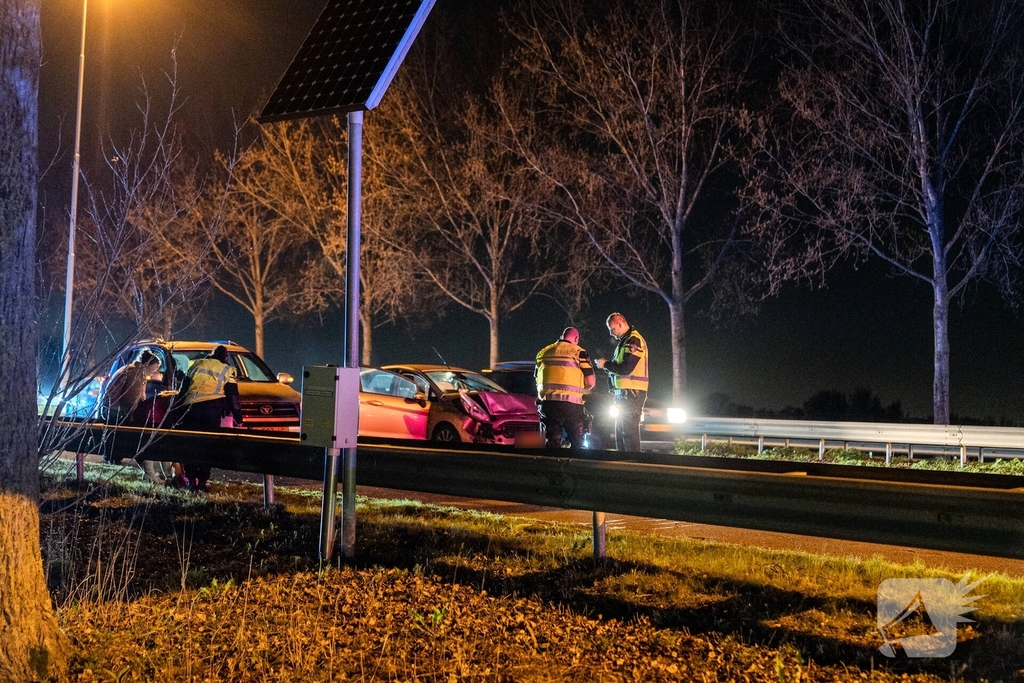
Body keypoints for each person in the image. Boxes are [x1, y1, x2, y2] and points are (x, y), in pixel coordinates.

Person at [176, 345, 243, 491]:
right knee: (208, 446)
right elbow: (233, 395)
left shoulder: (198, 364)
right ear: (225, 357)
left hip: (191, 408)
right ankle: (202, 481)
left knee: (192, 445)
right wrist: (238, 417)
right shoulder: (228, 369)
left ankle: (191, 480)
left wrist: (177, 410)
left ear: (211, 355)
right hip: (211, 410)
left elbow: (184, 387)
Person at [535, 326, 596, 449]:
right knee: (577, 443)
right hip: (571, 406)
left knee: (551, 442)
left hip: (548, 405)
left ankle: (551, 466)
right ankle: (574, 467)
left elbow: (537, 379)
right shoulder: (579, 352)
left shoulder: (543, 352)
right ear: (576, 338)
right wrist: (579, 389)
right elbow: (590, 382)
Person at [595, 312, 648, 452]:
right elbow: (619, 368)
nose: (611, 333)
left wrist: (605, 365)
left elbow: (626, 368)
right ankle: (623, 467)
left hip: (632, 394)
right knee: (621, 434)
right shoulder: (624, 342)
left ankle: (633, 467)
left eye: (612, 329)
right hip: (624, 395)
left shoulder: (633, 340)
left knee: (629, 433)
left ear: (620, 323)